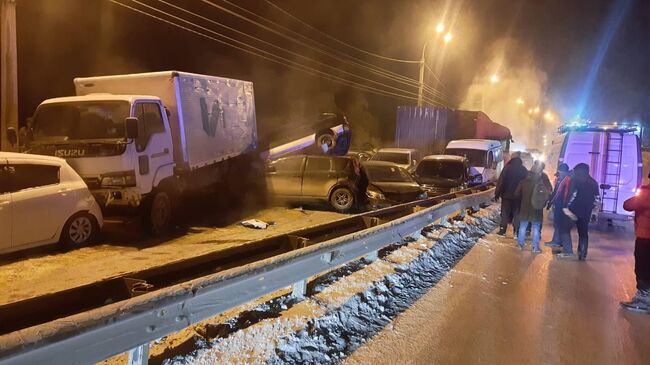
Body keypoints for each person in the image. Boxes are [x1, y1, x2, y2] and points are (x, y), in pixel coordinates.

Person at [557, 163, 599, 260]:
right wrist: (594, 212)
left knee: (564, 229)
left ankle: (568, 250)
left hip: (573, 211)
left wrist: (565, 207)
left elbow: (572, 195)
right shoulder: (593, 182)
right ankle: (582, 254)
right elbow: (597, 199)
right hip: (586, 212)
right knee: (583, 233)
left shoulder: (575, 180)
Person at [620, 179, 650, 313]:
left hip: (645, 236)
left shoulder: (647, 193)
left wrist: (641, 193)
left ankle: (644, 299)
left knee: (643, 267)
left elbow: (628, 205)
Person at [515, 162, 552, 252]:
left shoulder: (523, 182)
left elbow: (516, 194)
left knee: (523, 226)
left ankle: (520, 245)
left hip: (524, 208)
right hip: (536, 209)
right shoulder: (541, 183)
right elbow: (549, 193)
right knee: (536, 227)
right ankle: (535, 247)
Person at [495, 156, 528, 236]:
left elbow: (501, 181)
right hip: (518, 197)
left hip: (506, 196)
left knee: (505, 213)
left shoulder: (507, 168)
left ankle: (502, 230)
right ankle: (516, 232)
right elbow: (526, 183)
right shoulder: (523, 170)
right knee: (517, 214)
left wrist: (497, 193)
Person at [545, 163, 570, 247]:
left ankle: (556, 241)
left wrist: (550, 202)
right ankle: (558, 241)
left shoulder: (563, 180)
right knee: (559, 224)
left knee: (558, 223)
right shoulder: (567, 179)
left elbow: (557, 193)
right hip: (562, 205)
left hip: (560, 205)